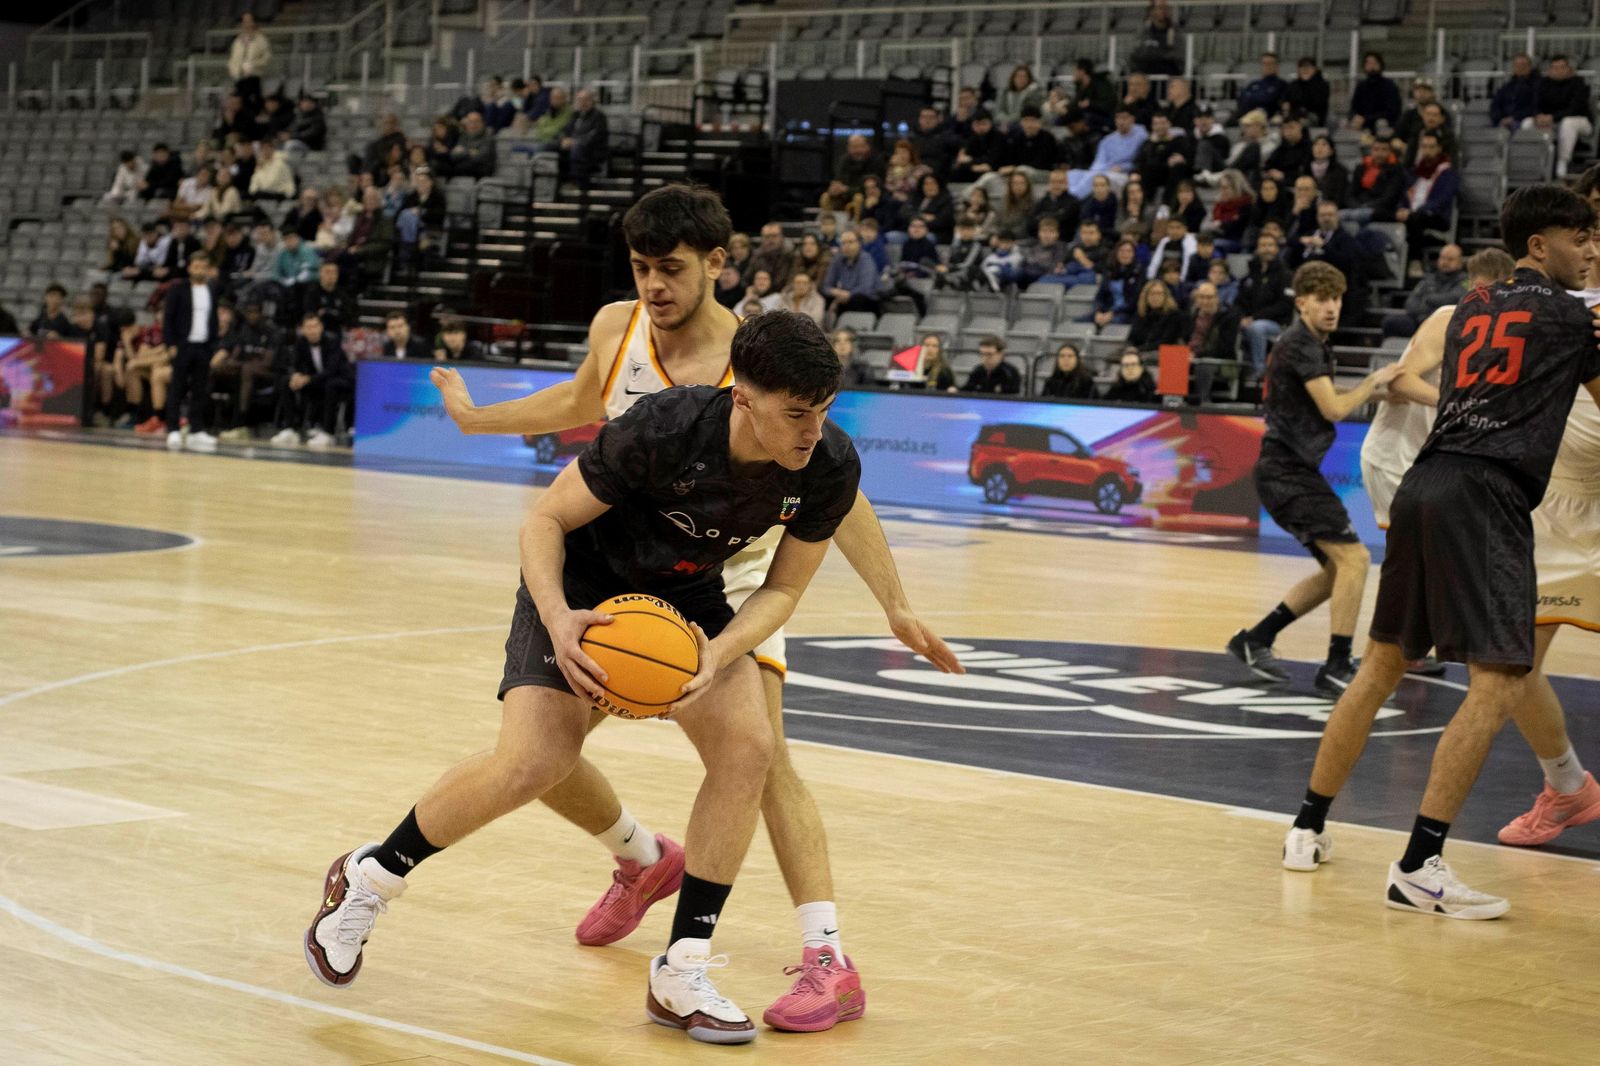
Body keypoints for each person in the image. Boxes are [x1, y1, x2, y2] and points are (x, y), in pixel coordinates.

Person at [421, 186, 959, 1036]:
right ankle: (641, 859)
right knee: (539, 756)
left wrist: (894, 602)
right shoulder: (617, 325)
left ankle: (829, 958)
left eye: (670, 270)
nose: (654, 286)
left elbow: (835, 491)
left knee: (759, 756)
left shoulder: (756, 365)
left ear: (716, 264)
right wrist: (474, 419)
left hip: (728, 582)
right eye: (641, 269)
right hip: (622, 571)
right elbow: (577, 401)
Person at [1279, 184, 1600, 918]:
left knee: (1381, 667)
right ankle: (1420, 863)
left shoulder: (1470, 310)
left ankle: (1307, 826)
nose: (1589, 248)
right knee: (1499, 681)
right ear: (1540, 245)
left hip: (1426, 485)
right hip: (1487, 498)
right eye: (1579, 236)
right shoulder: (1573, 318)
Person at [1225, 261, 1401, 693]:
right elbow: (1335, 409)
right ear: (1301, 303)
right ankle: (1337, 665)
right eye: (1322, 299)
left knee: (1336, 570)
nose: (1331, 307)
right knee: (1356, 560)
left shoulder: (1314, 344)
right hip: (1286, 471)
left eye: (1337, 299)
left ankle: (1256, 638)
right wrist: (1375, 381)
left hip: (1290, 471)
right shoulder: (1301, 343)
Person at [161, 251, 222, 451]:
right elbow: (168, 319)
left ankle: (196, 430)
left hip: (203, 346)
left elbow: (213, 319)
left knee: (200, 390)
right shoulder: (178, 290)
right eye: (196, 266)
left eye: (204, 267)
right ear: (189, 268)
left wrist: (213, 344)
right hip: (182, 346)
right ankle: (173, 429)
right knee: (177, 389)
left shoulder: (211, 289)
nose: (200, 270)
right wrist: (170, 344)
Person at [284, 311, 351, 449]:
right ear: (302, 329)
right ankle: (290, 428)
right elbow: (293, 364)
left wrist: (307, 379)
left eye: (315, 326)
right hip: (317, 381)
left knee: (330, 385)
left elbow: (332, 371)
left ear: (321, 327)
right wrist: (295, 376)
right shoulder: (301, 343)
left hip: (341, 380)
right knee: (286, 382)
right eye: (308, 327)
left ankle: (328, 432)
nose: (312, 330)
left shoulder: (332, 341)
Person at [1527, 55, 1594, 179]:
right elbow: (1535, 104)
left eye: (1562, 67)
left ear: (1569, 69)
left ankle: (1563, 162)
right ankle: (1532, 162)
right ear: (1550, 70)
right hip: (1552, 122)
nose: (1558, 71)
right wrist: (1538, 116)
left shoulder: (1578, 82)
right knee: (1527, 123)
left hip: (1581, 122)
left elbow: (1575, 108)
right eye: (1555, 68)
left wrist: (1552, 117)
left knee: (1568, 122)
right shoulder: (1544, 84)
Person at [1383, 243, 1467, 337]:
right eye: (1443, 258)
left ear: (1460, 262)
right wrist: (1424, 311)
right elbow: (1411, 302)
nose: (1445, 262)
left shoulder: (1465, 280)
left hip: (1444, 323)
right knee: (1391, 322)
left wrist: (1427, 299)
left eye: (1450, 259)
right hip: (1421, 319)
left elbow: (1452, 299)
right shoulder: (1429, 278)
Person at [1067, 107, 1147, 198]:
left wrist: (1123, 167)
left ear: (1132, 119)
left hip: (1125, 174)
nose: (1121, 122)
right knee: (1073, 174)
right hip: (1106, 170)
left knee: (1096, 177)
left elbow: (1141, 160)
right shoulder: (1107, 140)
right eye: (1118, 118)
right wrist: (1100, 170)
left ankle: (1073, 198)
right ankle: (1071, 196)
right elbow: (1098, 162)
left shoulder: (1141, 134)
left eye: (1124, 118)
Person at [821, 229, 881, 322]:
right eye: (844, 243)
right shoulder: (837, 259)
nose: (847, 246)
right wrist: (836, 292)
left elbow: (865, 288)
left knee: (857, 299)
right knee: (824, 297)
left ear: (859, 243)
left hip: (867, 300)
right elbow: (826, 286)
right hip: (843, 297)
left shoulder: (866, 259)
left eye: (850, 242)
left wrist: (848, 294)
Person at [562, 88, 609, 183]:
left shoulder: (599, 116)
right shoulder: (575, 115)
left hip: (592, 150)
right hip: (573, 146)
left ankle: (577, 184)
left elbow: (596, 135)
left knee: (577, 148)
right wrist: (564, 139)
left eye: (585, 99)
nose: (582, 102)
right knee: (551, 146)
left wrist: (575, 142)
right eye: (579, 100)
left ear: (591, 101)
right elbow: (565, 130)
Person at [1349, 51, 1401, 134]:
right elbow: (1354, 107)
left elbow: (1392, 112)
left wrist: (1367, 118)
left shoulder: (1389, 86)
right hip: (1364, 124)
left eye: (1374, 63)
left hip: (1384, 123)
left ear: (1380, 65)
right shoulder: (1361, 86)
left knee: (1381, 123)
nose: (1371, 66)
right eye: (1368, 63)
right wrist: (1356, 117)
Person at [227, 12, 270, 111]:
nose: (246, 23)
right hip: (239, 77)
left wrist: (254, 65)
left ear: (254, 22)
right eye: (244, 21)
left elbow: (266, 57)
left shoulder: (261, 39)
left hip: (253, 76)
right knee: (239, 103)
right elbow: (233, 58)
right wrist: (233, 69)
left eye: (249, 21)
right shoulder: (237, 41)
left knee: (252, 103)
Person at [1128, 280, 1185, 350]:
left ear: (1166, 296)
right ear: (1146, 296)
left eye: (1159, 293)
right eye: (1152, 294)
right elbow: (1131, 338)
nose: (1155, 297)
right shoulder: (1141, 314)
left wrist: (1138, 350)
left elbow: (1166, 341)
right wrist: (1130, 349)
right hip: (1142, 351)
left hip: (1167, 353)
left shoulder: (1174, 315)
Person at [1492, 53, 1542, 131]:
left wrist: (1514, 118)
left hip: (1523, 120)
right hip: (1504, 122)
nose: (1520, 68)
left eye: (1523, 65)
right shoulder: (1506, 87)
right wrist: (1499, 118)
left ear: (1530, 67)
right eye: (1517, 65)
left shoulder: (1538, 85)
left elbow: (1535, 107)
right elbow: (1495, 105)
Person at [1130, 0, 1180, 77]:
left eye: (1165, 8)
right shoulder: (1143, 31)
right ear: (1152, 11)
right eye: (1159, 8)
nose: (1163, 11)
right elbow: (1137, 52)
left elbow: (1176, 54)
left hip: (1166, 73)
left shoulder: (1174, 31)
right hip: (1145, 72)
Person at [993, 64, 1045, 130]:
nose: (1021, 79)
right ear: (1013, 78)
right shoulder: (1005, 92)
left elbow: (1025, 113)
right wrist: (1004, 120)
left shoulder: (1033, 93)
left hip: (1024, 123)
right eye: (1018, 76)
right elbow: (998, 111)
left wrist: (1008, 120)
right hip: (1004, 122)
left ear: (1029, 79)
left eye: (1024, 77)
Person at [1236, 53, 1287, 121]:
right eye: (1264, 63)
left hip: (1267, 119)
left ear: (1277, 66)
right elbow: (1241, 100)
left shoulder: (1282, 85)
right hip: (1246, 118)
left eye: (1270, 63)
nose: (1267, 66)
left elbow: (1271, 103)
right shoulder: (1253, 84)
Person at [1284, 57, 1330, 126]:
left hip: (1315, 116)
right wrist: (1284, 104)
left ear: (1314, 69)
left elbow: (1319, 103)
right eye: (1302, 67)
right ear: (1298, 69)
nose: (1305, 70)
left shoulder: (1322, 85)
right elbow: (1285, 98)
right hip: (1294, 116)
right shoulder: (1293, 85)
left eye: (1308, 67)